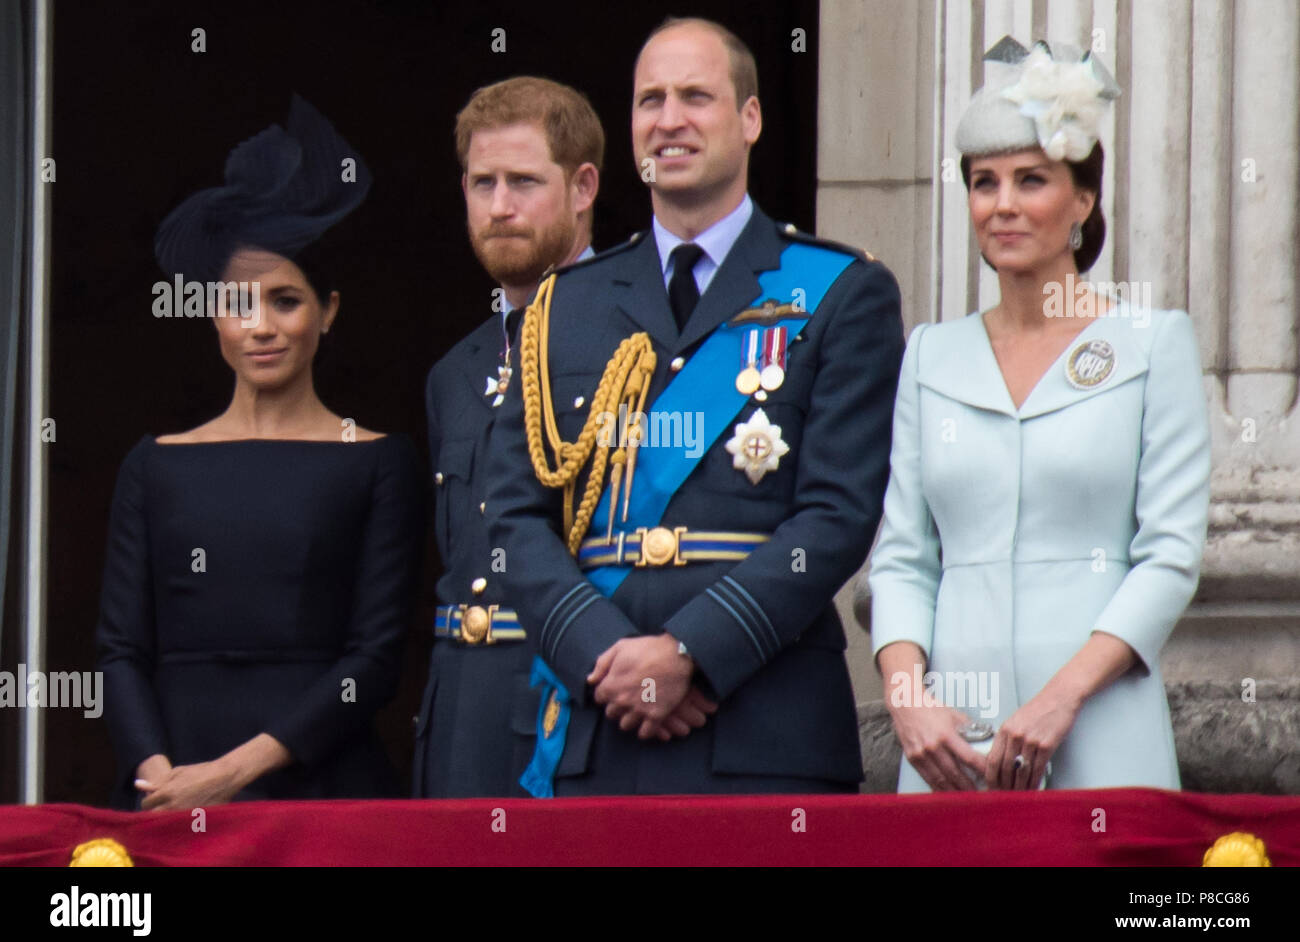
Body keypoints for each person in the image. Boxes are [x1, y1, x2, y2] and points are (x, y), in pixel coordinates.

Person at [486, 17, 904, 796]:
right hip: (597, 725)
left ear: (749, 120)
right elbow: (513, 519)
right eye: (650, 99)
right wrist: (604, 654)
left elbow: (838, 515)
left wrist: (690, 652)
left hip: (765, 726)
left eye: (695, 97)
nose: (668, 119)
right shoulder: (560, 307)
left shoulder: (841, 292)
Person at [863, 37, 1210, 792]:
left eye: (1032, 180)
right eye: (984, 183)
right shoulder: (930, 355)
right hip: (949, 744)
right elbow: (902, 559)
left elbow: (1171, 553)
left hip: (1099, 727)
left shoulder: (1152, 342)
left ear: (1083, 200)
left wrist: (1061, 697)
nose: (1004, 204)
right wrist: (908, 700)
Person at [96, 95, 424, 810]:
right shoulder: (154, 464)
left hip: (320, 784)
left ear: (327, 311)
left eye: (285, 300)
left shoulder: (377, 461)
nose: (262, 327)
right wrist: (160, 776)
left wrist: (231, 774)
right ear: (211, 312)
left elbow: (373, 662)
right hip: (166, 785)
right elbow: (119, 651)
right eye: (240, 301)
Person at [414, 77, 602, 798]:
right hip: (463, 711)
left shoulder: (639, 338)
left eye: (523, 181)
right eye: (481, 182)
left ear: (583, 186)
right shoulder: (452, 371)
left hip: (574, 705)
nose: (499, 206)